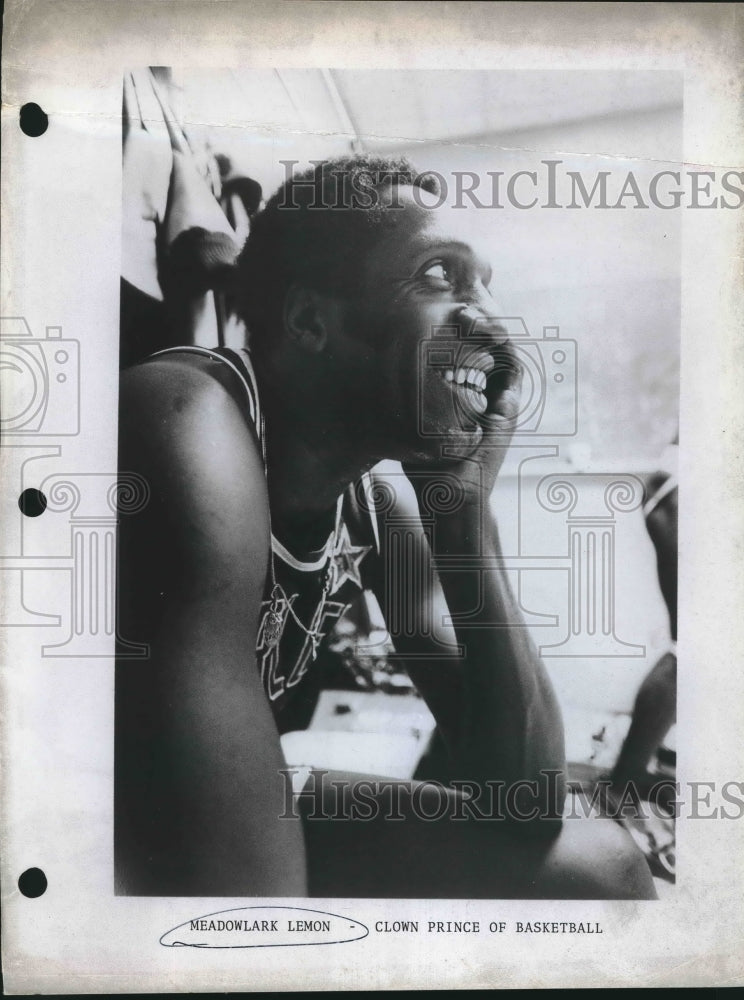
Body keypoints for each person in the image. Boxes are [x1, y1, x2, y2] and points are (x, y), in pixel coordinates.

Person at [115, 155, 655, 899]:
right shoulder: (187, 415)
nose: (491, 321)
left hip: (190, 801)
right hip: (88, 816)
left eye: (486, 285)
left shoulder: (374, 501)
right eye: (440, 274)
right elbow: (232, 900)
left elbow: (523, 799)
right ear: (311, 320)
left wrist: (462, 517)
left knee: (604, 870)